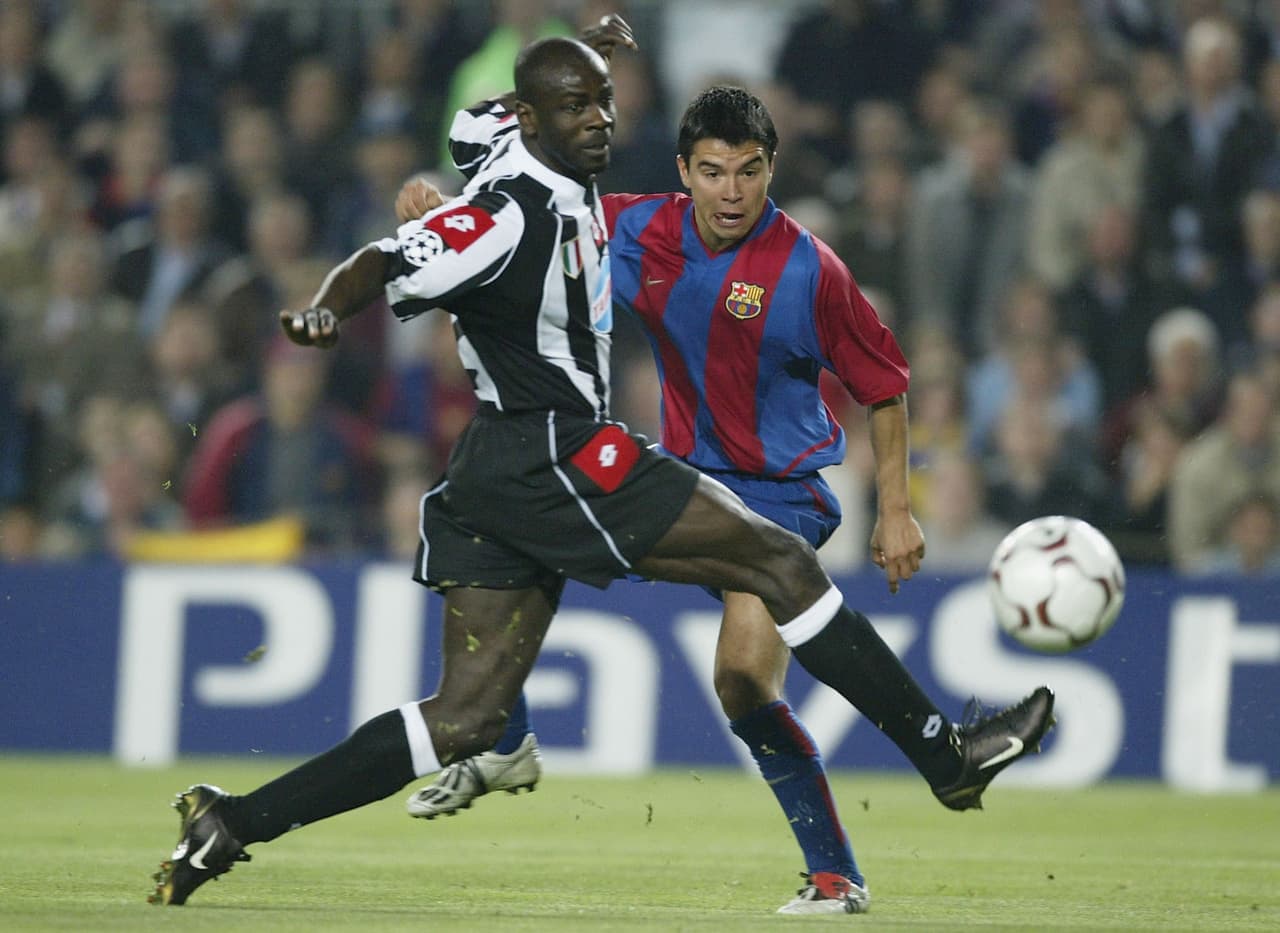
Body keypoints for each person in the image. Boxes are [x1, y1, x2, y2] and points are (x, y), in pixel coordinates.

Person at [149, 30, 1054, 914]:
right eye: (577, 107)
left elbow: (481, 121)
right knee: (783, 571)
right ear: (540, 123)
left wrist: (581, 51)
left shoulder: (570, 180)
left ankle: (235, 821)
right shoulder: (517, 215)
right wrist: (325, 307)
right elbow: (384, 261)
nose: (600, 122)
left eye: (604, 103)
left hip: (506, 472)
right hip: (560, 449)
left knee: (461, 717)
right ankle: (947, 757)